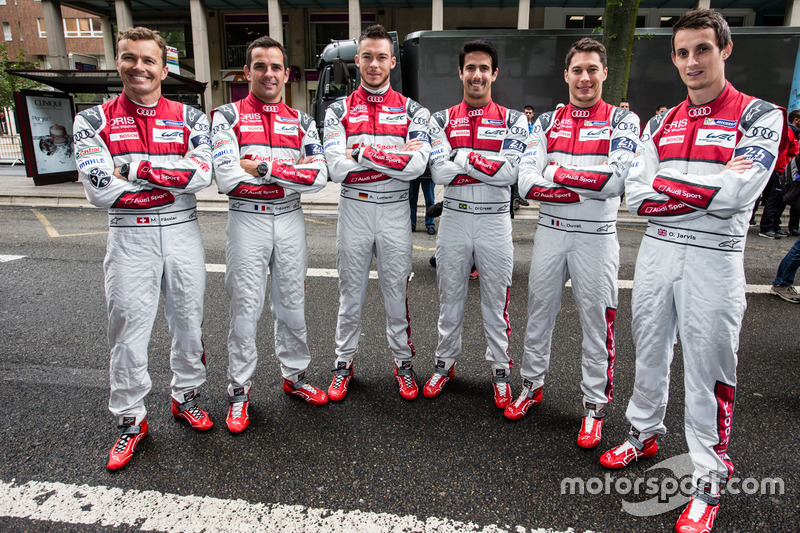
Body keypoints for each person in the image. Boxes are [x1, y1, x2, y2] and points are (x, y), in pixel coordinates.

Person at [601, 10, 785, 533]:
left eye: (702, 49)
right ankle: (642, 433)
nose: (691, 61)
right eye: (682, 52)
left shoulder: (760, 115)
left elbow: (738, 196)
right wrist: (703, 188)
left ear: (724, 50)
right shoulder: (661, 121)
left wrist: (671, 185)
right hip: (658, 252)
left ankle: (709, 477)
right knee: (650, 349)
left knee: (709, 370)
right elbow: (636, 195)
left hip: (715, 259)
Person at [73, 27, 213, 470]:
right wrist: (169, 176)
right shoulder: (91, 121)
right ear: (118, 62)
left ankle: (185, 395)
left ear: (163, 66)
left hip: (182, 233)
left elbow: (203, 175)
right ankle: (131, 420)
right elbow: (100, 191)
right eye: (130, 58)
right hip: (129, 235)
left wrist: (133, 168)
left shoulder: (191, 118)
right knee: (128, 333)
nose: (139, 67)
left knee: (190, 323)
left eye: (149, 60)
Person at [510, 38, 640, 451]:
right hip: (550, 230)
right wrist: (584, 182)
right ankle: (531, 386)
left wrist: (558, 171)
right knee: (538, 314)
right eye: (577, 70)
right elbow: (527, 181)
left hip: (597, 238)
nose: (585, 78)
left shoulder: (624, 121)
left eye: (593, 70)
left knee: (597, 324)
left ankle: (595, 407)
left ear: (604, 74)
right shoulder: (546, 121)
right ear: (566, 75)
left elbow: (617, 181)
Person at [211, 36, 330, 434]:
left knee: (292, 304)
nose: (268, 74)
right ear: (247, 72)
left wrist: (260, 167)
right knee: (246, 308)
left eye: (275, 67)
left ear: (286, 74)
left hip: (290, 220)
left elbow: (318, 177)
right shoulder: (225, 116)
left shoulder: (303, 121)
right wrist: (287, 171)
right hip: (247, 221)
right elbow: (227, 177)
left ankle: (295, 376)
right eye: (260, 66)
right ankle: (239, 391)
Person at [323, 24, 431, 401]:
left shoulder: (412, 110)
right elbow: (336, 169)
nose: (373, 64)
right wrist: (395, 158)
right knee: (349, 295)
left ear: (392, 61)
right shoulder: (338, 109)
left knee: (395, 294)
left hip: (394, 212)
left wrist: (362, 154)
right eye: (367, 56)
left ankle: (402, 363)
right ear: (357, 61)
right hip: (354, 208)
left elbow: (417, 167)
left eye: (381, 57)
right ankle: (342, 364)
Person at [423, 39, 528, 408]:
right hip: (453, 216)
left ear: (494, 73)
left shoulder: (514, 120)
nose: (477, 75)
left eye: (484, 68)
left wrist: (462, 156)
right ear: (461, 72)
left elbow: (511, 173)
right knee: (449, 297)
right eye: (471, 68)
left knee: (496, 302)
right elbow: (438, 172)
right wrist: (486, 166)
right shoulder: (440, 119)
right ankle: (444, 363)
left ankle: (500, 371)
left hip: (495, 221)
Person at [757, 109, 800, 238]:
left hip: (786, 170)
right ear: (796, 120)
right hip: (780, 170)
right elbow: (781, 153)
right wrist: (781, 170)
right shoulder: (787, 133)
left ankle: (775, 226)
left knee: (781, 200)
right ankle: (766, 228)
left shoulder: (795, 134)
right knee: (774, 199)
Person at [409, 169, 437, 234]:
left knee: (430, 201)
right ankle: (411, 224)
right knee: (411, 201)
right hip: (413, 174)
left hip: (428, 174)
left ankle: (430, 224)